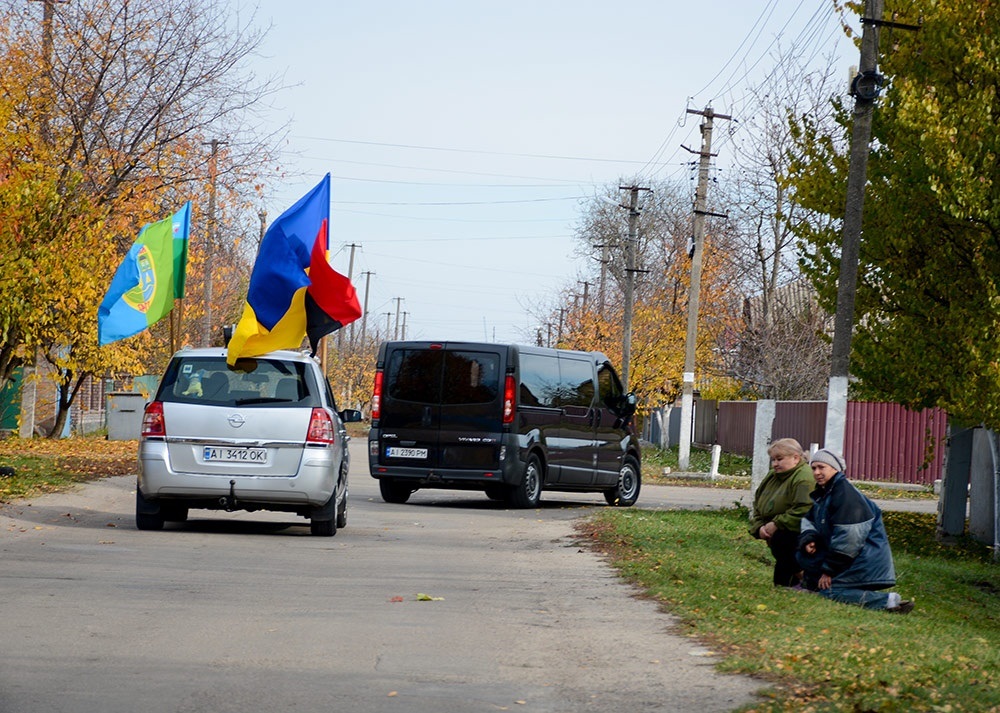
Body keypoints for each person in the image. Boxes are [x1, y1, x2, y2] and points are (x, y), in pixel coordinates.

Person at [796, 448, 914, 613]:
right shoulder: (823, 494)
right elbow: (809, 520)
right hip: (850, 558)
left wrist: (829, 570)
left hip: (865, 559)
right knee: (820, 585)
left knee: (829, 592)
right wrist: (809, 538)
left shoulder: (846, 495)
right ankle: (811, 585)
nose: (816, 472)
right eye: (814, 468)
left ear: (835, 468)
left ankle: (887, 601)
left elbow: (850, 539)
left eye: (821, 467)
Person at [749, 438, 815, 586]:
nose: (775, 464)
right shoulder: (772, 476)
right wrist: (760, 527)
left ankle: (803, 579)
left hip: (797, 532)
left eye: (779, 459)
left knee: (782, 541)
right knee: (782, 549)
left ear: (796, 458)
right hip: (777, 531)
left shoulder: (804, 478)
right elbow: (758, 503)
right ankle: (790, 584)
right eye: (773, 460)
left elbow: (804, 509)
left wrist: (776, 524)